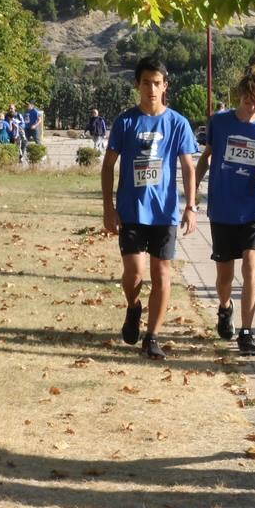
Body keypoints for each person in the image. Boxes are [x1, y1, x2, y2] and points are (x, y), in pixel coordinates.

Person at [100, 57, 199, 360]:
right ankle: (133, 307)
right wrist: (108, 207)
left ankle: (152, 336)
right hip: (131, 211)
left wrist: (191, 206)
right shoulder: (126, 121)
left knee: (162, 274)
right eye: (146, 82)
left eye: (157, 83)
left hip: (164, 213)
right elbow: (108, 166)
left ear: (165, 86)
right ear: (137, 85)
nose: (152, 88)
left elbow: (188, 167)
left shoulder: (177, 123)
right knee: (134, 272)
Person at [195, 71, 255, 356]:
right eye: (247, 100)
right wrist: (192, 191)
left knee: (251, 266)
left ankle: (247, 331)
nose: (251, 106)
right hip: (223, 206)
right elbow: (206, 157)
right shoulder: (220, 122)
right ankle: (224, 306)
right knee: (225, 277)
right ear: (239, 95)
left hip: (253, 207)